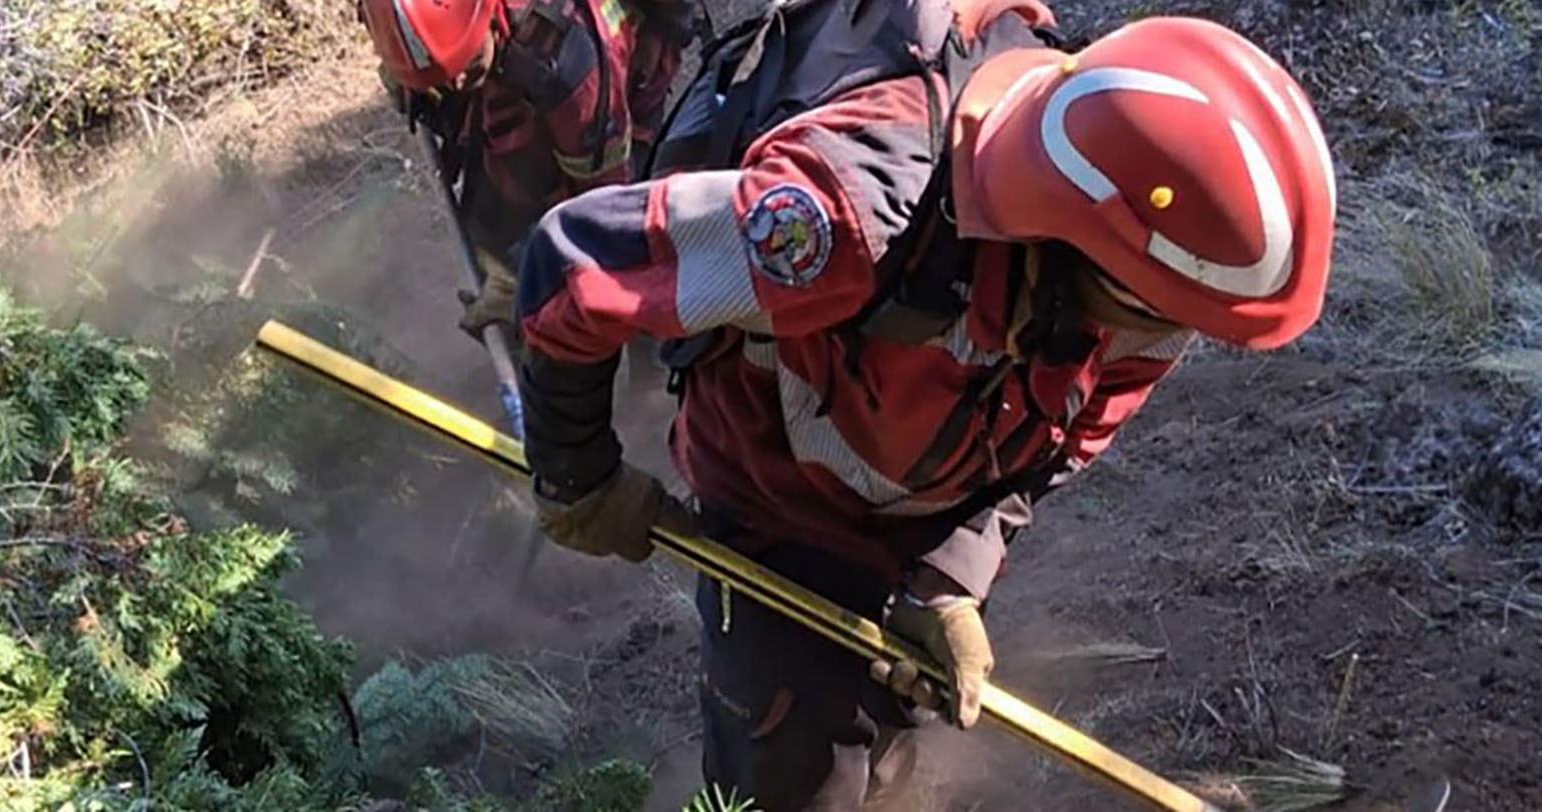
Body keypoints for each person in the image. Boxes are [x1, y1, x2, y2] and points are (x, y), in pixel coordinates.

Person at [509, 1, 1338, 807]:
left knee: (890, 719)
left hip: (913, 501)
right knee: (793, 771)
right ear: (1086, 253)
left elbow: (1058, 443)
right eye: (1163, 314)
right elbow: (574, 265)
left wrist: (950, 576)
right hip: (773, 494)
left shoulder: (1152, 296)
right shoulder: (845, 222)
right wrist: (578, 475)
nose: (1172, 342)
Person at [356, 0, 697, 338]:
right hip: (513, 72)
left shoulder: (571, 69)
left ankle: (646, 357)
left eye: (469, 66)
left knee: (630, 265)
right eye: (442, 79)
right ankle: (522, 338)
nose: (457, 84)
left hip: (610, 107)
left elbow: (603, 216)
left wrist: (540, 292)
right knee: (491, 227)